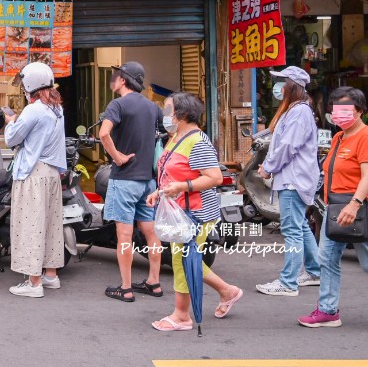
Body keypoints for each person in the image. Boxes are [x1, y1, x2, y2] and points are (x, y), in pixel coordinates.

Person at [147, 93, 242, 331]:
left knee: (182, 261)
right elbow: (173, 173)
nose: (165, 115)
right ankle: (227, 291)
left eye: (168, 110)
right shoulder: (176, 137)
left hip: (196, 213)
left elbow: (215, 177)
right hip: (180, 211)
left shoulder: (197, 141)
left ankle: (182, 316)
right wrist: (159, 192)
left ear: (182, 114)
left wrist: (181, 187)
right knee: (186, 260)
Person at [298, 86, 368, 328]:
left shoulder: (365, 136)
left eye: (345, 110)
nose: (338, 115)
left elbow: (366, 176)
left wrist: (354, 204)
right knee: (327, 257)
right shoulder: (338, 137)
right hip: (335, 208)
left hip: (358, 207)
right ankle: (328, 311)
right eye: (335, 110)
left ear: (359, 111)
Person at [99, 61, 163, 302]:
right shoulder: (153, 107)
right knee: (150, 232)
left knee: (124, 235)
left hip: (125, 179)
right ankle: (153, 282)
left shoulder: (117, 105)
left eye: (116, 76)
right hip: (148, 181)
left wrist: (117, 157)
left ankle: (125, 288)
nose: (113, 80)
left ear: (124, 80)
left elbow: (104, 133)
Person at [256, 66, 322, 296]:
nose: (279, 86)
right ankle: (314, 272)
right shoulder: (297, 109)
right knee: (301, 227)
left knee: (292, 229)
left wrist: (268, 168)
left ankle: (288, 282)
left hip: (293, 180)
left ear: (293, 86)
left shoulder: (299, 111)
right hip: (294, 178)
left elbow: (288, 147)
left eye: (282, 81)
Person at [3, 62, 66, 297]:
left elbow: (12, 139)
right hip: (51, 173)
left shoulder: (35, 109)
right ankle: (50, 275)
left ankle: (34, 282)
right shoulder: (56, 108)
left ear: (30, 85)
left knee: (30, 225)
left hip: (33, 172)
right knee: (50, 224)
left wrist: (11, 121)